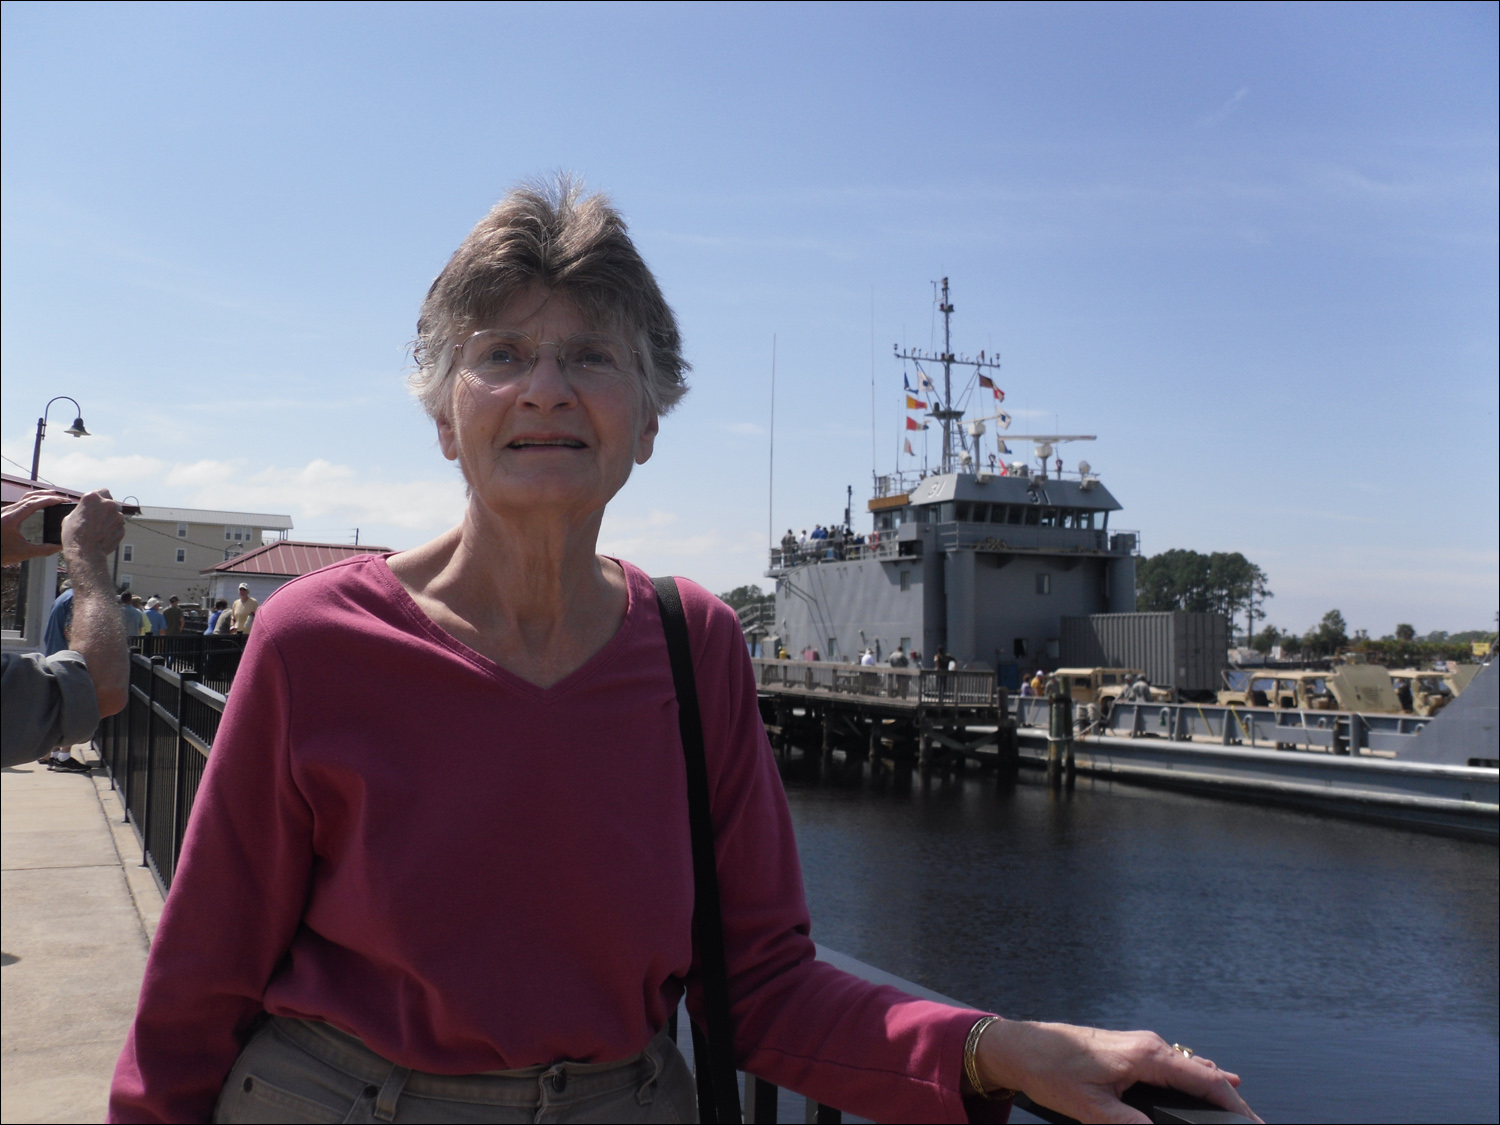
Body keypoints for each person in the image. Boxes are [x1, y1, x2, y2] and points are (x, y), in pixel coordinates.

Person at [110, 178, 1256, 1125]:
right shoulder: (315, 644)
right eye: (500, 353)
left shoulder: (692, 642)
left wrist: (996, 1050)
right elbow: (195, 990)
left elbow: (755, 984)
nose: (546, 389)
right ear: (443, 412)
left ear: (650, 418)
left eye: (592, 357)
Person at [2, 490, 129, 769]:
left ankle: (56, 754)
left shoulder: (61, 599)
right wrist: (86, 554)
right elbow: (99, 689)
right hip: (67, 658)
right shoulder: (72, 599)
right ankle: (59, 756)